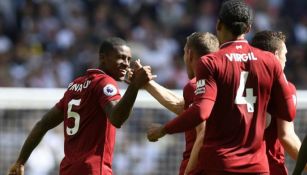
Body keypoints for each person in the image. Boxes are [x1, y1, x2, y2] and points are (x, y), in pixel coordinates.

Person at [146, 0, 296, 174]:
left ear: (218, 24)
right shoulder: (270, 61)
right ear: (248, 29)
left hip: (220, 164)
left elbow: (201, 111)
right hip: (257, 167)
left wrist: (163, 130)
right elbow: (288, 112)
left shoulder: (210, 62)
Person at [7, 37, 155, 175]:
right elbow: (117, 119)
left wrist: (20, 161)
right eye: (121, 57)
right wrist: (135, 86)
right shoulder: (105, 82)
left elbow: (42, 125)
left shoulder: (76, 85)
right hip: (93, 169)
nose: (126, 63)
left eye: (128, 59)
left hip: (68, 169)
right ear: (103, 57)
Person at [134, 32, 219, 175]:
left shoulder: (196, 85)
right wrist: (147, 84)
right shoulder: (221, 82)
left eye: (184, 53)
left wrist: (188, 173)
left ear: (189, 54)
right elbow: (184, 107)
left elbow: (202, 132)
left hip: (199, 167)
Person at [251, 30, 306, 174]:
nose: (286, 60)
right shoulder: (284, 88)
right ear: (275, 55)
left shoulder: (237, 83)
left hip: (238, 166)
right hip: (271, 167)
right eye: (285, 54)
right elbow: (286, 135)